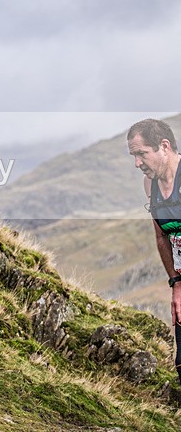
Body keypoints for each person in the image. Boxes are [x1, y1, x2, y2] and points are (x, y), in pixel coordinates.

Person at [127, 118, 181, 386]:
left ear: (164, 146)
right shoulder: (151, 185)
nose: (137, 163)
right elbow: (161, 236)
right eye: (134, 156)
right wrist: (176, 284)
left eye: (142, 154)